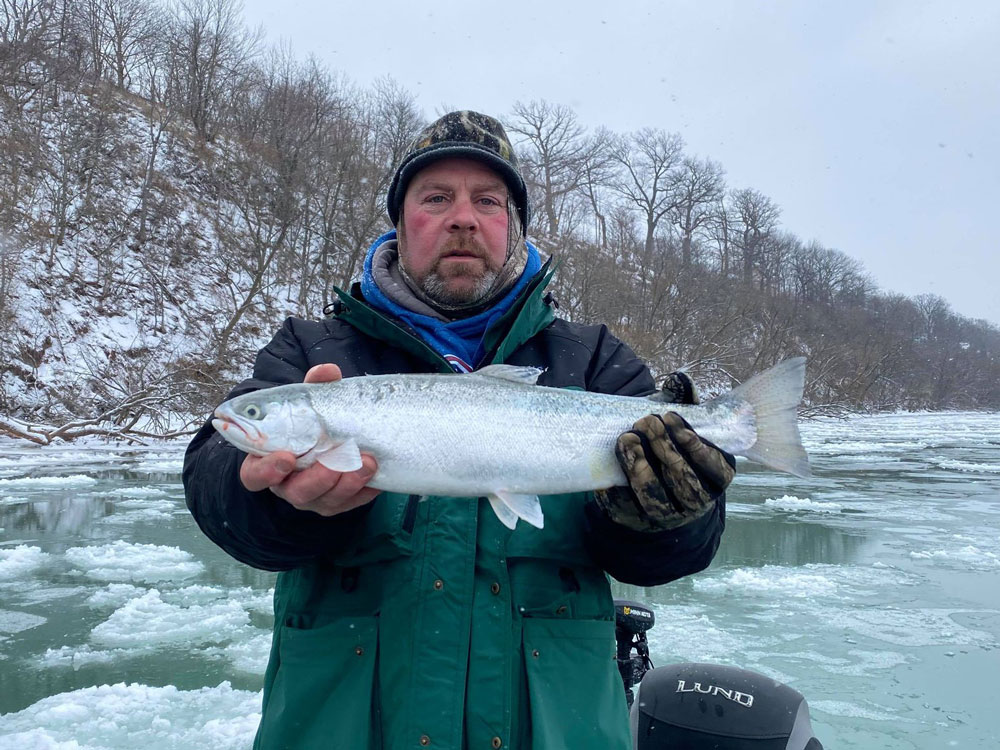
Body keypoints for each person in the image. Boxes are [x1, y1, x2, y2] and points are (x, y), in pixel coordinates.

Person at [184, 110, 734, 750]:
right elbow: (217, 485)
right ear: (401, 221)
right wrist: (274, 501)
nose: (463, 218)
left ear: (511, 225)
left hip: (554, 725)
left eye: (488, 201)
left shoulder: (594, 361)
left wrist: (668, 514)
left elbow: (677, 551)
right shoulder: (312, 352)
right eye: (436, 197)